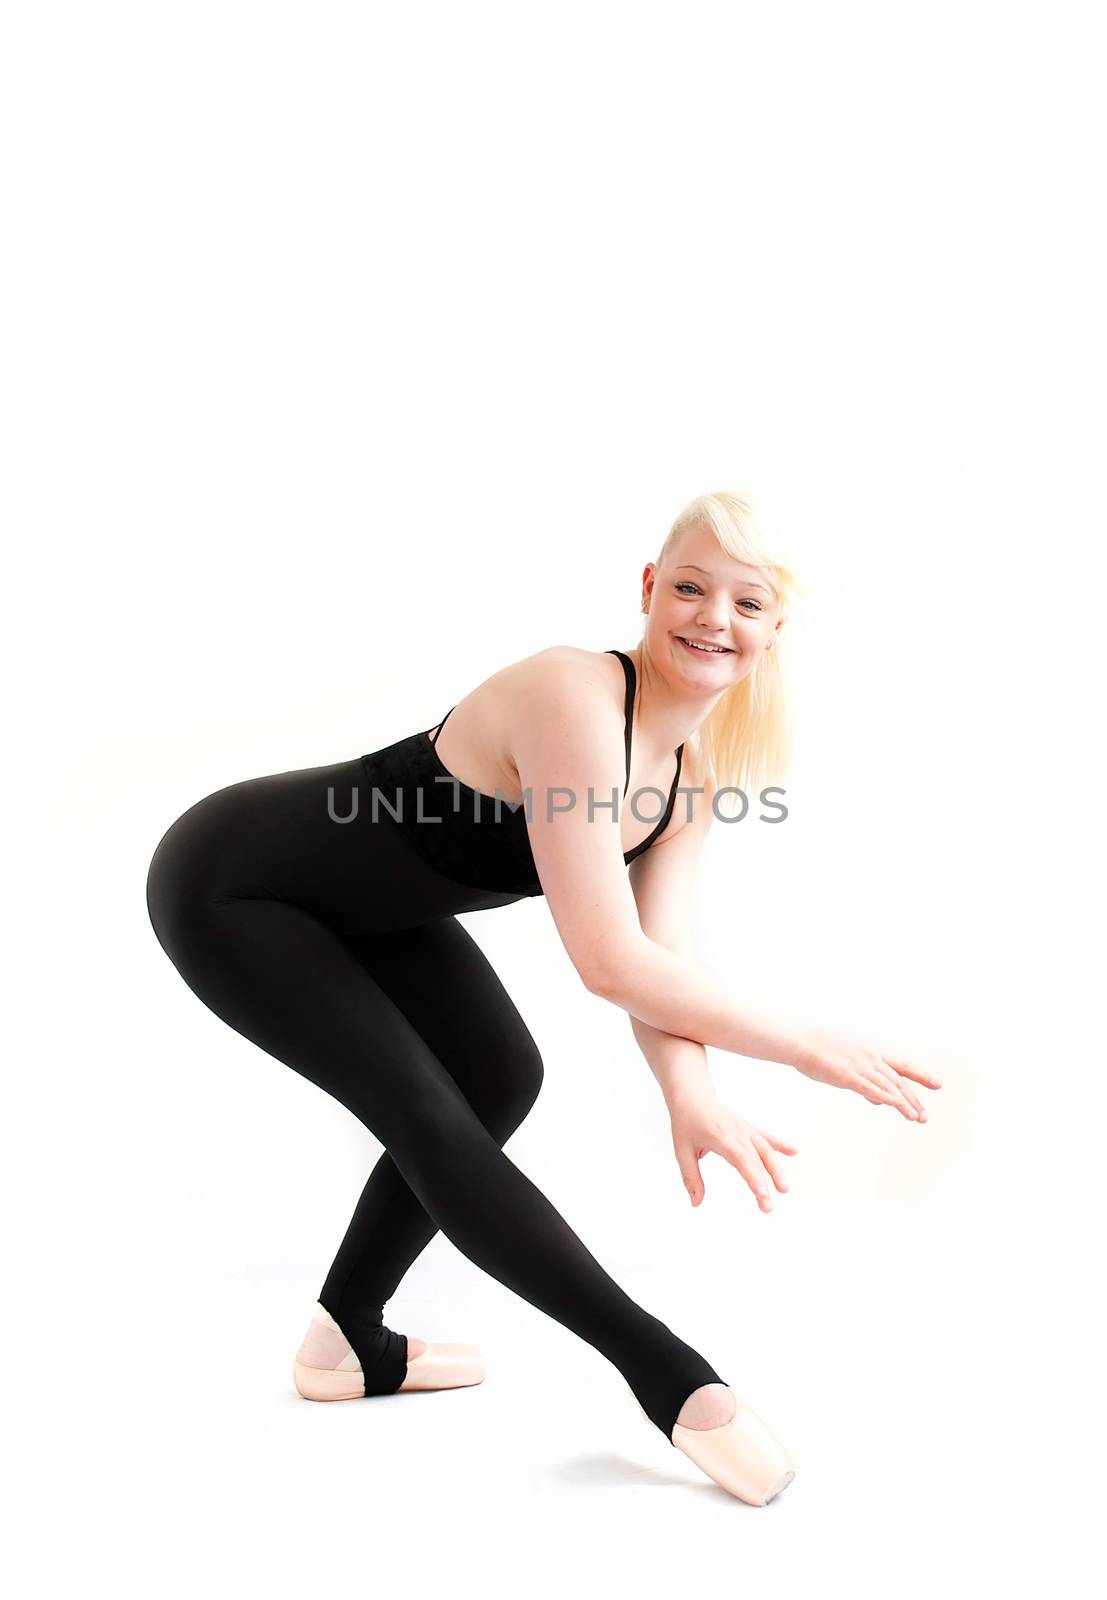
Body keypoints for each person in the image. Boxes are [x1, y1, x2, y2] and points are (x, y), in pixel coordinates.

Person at [145, 491, 940, 1506]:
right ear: (651, 591)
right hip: (234, 883)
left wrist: (686, 1093)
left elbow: (660, 957)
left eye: (747, 602)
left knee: (497, 1075)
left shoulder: (690, 778)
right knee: (436, 1117)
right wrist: (808, 1047)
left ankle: (347, 1336)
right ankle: (670, 1375)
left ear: (777, 627)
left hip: (349, 907)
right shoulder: (574, 697)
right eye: (690, 587)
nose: (713, 618)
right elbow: (606, 962)